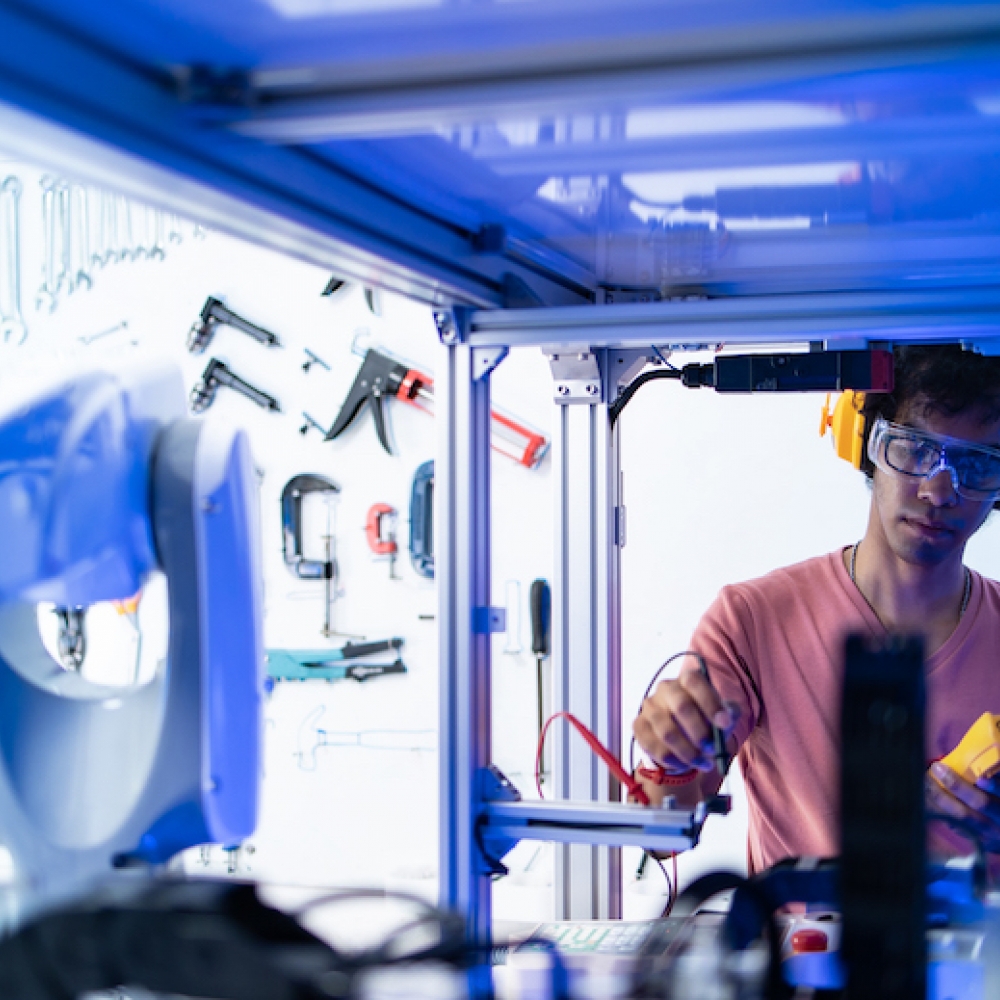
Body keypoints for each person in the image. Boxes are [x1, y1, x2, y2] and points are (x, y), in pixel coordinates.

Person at [632, 344, 1000, 874]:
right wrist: (670, 761)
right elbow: (663, 836)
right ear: (867, 443)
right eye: (916, 450)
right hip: (803, 929)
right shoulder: (752, 620)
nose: (940, 490)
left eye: (976, 463)